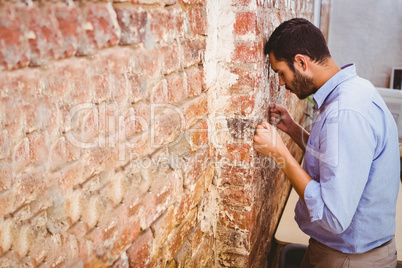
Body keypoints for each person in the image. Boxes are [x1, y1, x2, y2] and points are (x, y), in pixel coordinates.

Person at [253, 18, 400, 267]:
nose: (280, 83)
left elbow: (333, 216)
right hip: (345, 253)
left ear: (301, 62)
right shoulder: (353, 90)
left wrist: (279, 153)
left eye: (281, 72)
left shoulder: (346, 112)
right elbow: (338, 157)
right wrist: (293, 130)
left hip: (349, 260)